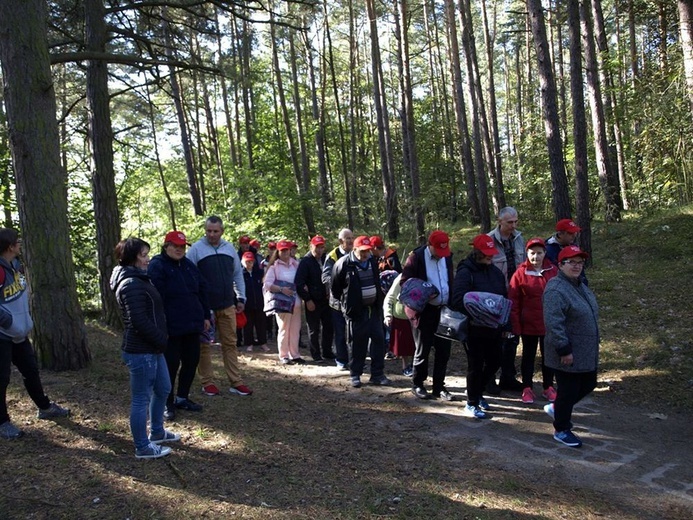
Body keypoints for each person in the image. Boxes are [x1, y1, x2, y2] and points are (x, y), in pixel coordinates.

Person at [111, 237, 180, 458]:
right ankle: (142, 446)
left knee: (163, 389)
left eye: (147, 254)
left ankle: (157, 432)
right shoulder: (130, 283)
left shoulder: (140, 278)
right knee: (141, 398)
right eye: (143, 255)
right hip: (141, 350)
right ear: (132, 258)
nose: (147, 259)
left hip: (153, 348)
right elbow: (137, 320)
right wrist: (161, 339)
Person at [0, 229, 70, 440]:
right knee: (1, 379)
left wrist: (22, 322)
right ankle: (2, 422)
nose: (20, 244)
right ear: (9, 246)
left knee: (31, 371)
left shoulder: (16, 266)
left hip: (20, 333)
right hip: (2, 334)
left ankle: (45, 407)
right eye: (17, 241)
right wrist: (9, 322)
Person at [148, 231, 210, 421]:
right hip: (171, 327)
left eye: (182, 246)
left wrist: (206, 316)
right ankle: (167, 402)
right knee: (170, 365)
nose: (179, 249)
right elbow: (155, 297)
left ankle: (182, 397)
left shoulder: (189, 266)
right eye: (175, 246)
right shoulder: (157, 266)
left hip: (192, 324)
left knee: (191, 361)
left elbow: (202, 290)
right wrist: (160, 324)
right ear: (166, 246)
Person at [186, 216, 252, 397]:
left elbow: (238, 275)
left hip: (227, 305)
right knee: (204, 345)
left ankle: (235, 382)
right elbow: (189, 278)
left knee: (230, 343)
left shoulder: (229, 248)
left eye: (215, 231)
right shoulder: (196, 250)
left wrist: (241, 298)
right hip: (205, 308)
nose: (212, 234)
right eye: (209, 231)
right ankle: (207, 382)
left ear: (222, 231)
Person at [543, 245, 599, 448]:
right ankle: (562, 429)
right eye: (571, 262)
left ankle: (557, 408)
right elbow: (553, 322)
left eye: (580, 262)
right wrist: (564, 349)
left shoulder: (579, 285)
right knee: (568, 389)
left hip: (585, 350)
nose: (576, 266)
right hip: (567, 351)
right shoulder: (556, 288)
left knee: (589, 383)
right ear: (560, 265)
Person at [452, 234, 508, 419]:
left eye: (492, 253)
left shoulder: (496, 272)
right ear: (476, 252)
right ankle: (472, 402)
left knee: (495, 361)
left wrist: (506, 323)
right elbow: (458, 299)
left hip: (494, 328)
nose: (490, 257)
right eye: (486, 253)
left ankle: (478, 391)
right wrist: (479, 310)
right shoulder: (465, 271)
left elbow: (504, 298)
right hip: (473, 328)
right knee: (475, 365)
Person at [331, 236, 390, 388]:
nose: (366, 254)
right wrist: (346, 305)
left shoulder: (371, 261)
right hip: (356, 311)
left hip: (373, 309)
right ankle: (355, 374)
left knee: (379, 341)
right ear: (355, 249)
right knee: (357, 343)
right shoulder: (343, 264)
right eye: (363, 251)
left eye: (368, 251)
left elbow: (376, 281)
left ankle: (377, 374)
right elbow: (335, 289)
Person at [401, 230, 454, 401]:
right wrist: (423, 291)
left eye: (444, 251)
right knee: (422, 350)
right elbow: (405, 282)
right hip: (423, 311)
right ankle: (418, 384)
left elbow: (449, 279)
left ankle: (439, 386)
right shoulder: (416, 257)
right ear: (429, 245)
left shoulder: (447, 256)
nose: (441, 255)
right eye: (438, 251)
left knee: (444, 350)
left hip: (444, 310)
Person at [508, 238, 558, 405]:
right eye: (532, 253)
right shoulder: (520, 273)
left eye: (539, 253)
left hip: (548, 324)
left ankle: (548, 387)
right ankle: (527, 387)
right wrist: (515, 323)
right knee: (528, 357)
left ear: (545, 253)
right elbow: (513, 301)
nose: (536, 256)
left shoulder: (553, 271)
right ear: (527, 254)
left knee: (548, 356)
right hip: (528, 323)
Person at [487, 206, 525, 393]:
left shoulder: (519, 239)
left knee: (512, 338)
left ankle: (508, 377)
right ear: (499, 221)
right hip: (496, 296)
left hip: (516, 296)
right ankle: (489, 378)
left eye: (515, 221)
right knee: (494, 340)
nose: (513, 225)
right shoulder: (489, 241)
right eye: (510, 222)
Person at [264, 240, 304, 365]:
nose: (286, 252)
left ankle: (295, 354)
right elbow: (267, 284)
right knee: (284, 329)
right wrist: (282, 289)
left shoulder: (295, 264)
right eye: (283, 250)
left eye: (287, 249)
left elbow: (301, 280)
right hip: (282, 303)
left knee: (295, 329)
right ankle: (284, 355)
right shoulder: (274, 267)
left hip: (296, 303)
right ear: (278, 251)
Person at [295, 235, 334, 362]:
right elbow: (299, 282)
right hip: (313, 300)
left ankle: (327, 351)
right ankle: (316, 354)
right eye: (317, 247)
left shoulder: (326, 259)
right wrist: (307, 299)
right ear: (311, 246)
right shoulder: (305, 262)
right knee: (314, 329)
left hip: (327, 299)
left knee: (329, 327)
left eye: (322, 247)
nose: (319, 250)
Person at [322, 228, 354, 369]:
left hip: (354, 301)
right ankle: (341, 359)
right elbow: (326, 277)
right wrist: (340, 286)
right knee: (340, 331)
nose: (351, 241)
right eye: (348, 238)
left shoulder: (357, 253)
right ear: (341, 241)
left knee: (354, 331)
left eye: (352, 237)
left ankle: (355, 359)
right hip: (337, 302)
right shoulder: (332, 256)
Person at [383, 273, 415, 376]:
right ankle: (405, 366)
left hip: (417, 315)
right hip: (401, 315)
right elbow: (390, 297)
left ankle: (416, 365)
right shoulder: (401, 278)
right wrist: (388, 314)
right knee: (403, 344)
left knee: (417, 343)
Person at [240, 251, 269, 353]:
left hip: (259, 302)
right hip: (247, 304)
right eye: (247, 261)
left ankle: (263, 343)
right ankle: (249, 343)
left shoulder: (259, 273)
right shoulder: (241, 274)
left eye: (251, 261)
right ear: (243, 262)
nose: (249, 264)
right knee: (248, 325)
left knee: (261, 324)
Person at [546, 219, 588, 285]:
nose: (574, 235)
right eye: (570, 233)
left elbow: (581, 273)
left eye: (575, 232)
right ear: (560, 234)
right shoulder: (549, 250)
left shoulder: (574, 247)